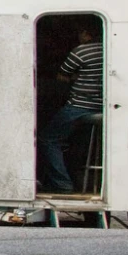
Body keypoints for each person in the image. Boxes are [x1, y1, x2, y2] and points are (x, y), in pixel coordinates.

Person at [39, 28, 104, 194]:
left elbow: (62, 77)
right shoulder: (109, 48)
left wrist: (76, 77)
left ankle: (62, 184)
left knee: (48, 139)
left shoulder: (81, 51)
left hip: (80, 106)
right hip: (102, 107)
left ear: (85, 33)